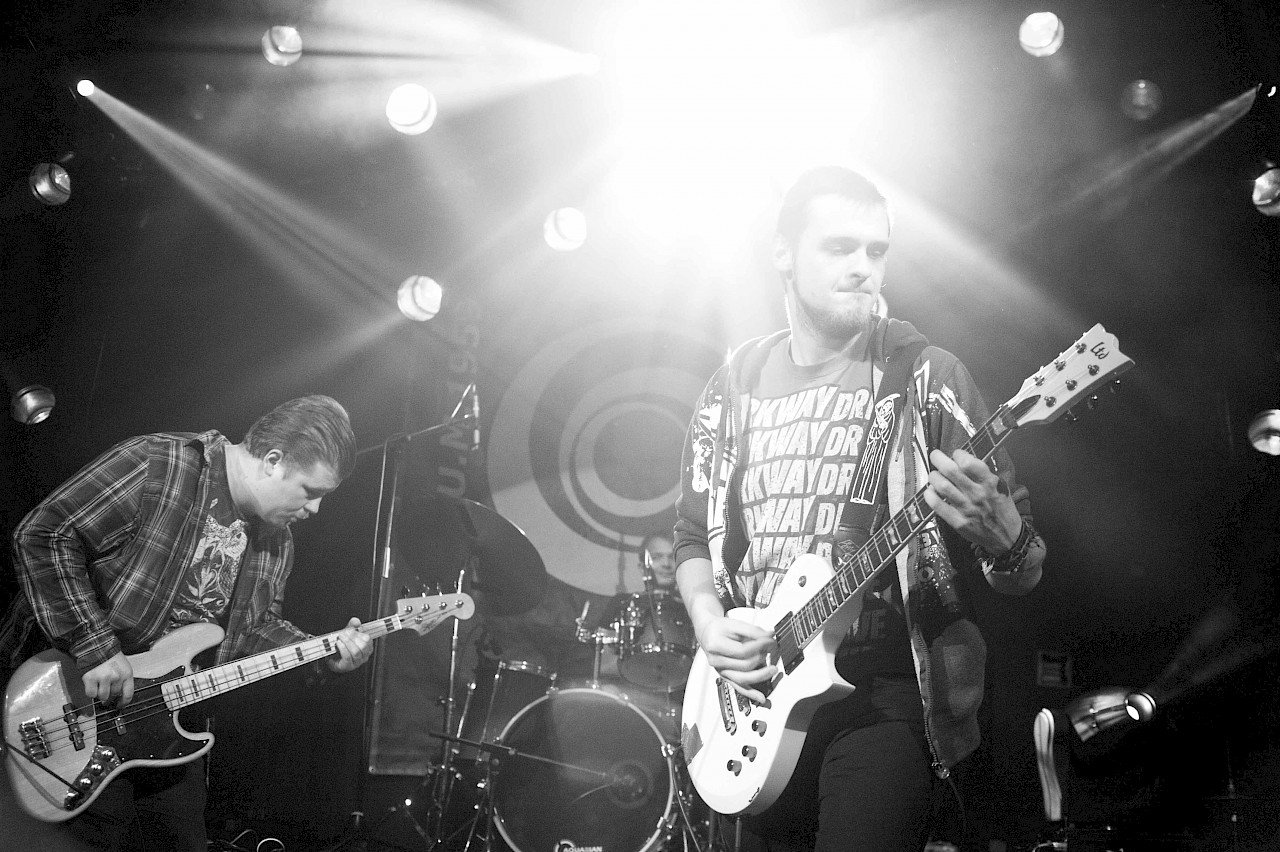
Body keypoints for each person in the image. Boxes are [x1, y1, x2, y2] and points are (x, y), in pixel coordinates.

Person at [674, 166, 1046, 851]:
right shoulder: (733, 387)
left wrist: (1007, 538)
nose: (862, 267)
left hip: (884, 698)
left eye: (876, 251)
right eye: (839, 247)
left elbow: (1023, 573)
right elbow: (691, 536)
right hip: (755, 699)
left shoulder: (927, 377)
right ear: (783, 253)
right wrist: (707, 624)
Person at [0, 394, 374, 852]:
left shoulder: (278, 543)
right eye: (311, 491)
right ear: (273, 461)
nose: (314, 510)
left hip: (161, 726)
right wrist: (95, 646)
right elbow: (44, 534)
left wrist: (323, 651)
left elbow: (253, 631)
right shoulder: (161, 463)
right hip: (66, 702)